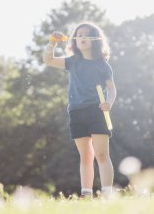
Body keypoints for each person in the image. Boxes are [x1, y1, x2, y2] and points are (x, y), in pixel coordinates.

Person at [43, 22, 117, 197]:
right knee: (85, 156)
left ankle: (107, 194)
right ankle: (86, 194)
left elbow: (112, 90)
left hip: (97, 110)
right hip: (76, 111)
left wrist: (109, 103)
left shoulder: (103, 65)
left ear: (94, 39)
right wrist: (52, 43)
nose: (82, 37)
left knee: (101, 154)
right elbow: (48, 60)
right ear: (75, 41)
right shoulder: (72, 62)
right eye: (79, 34)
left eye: (86, 34)